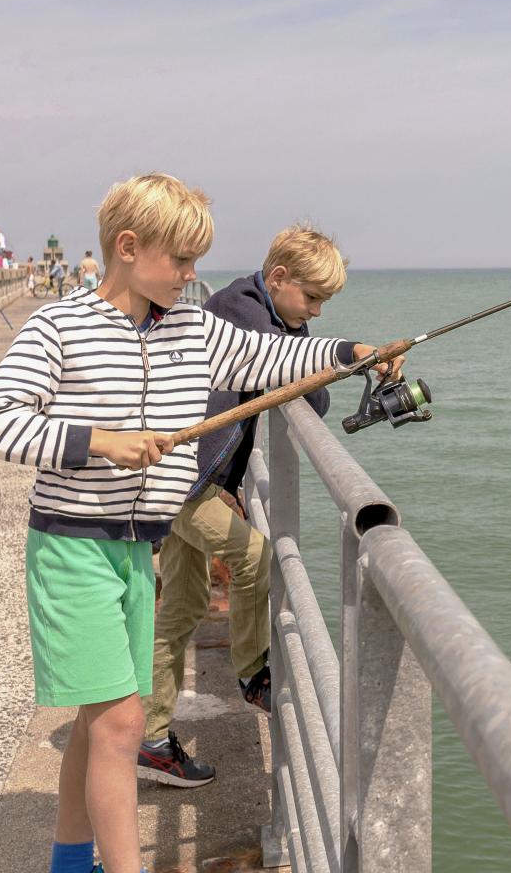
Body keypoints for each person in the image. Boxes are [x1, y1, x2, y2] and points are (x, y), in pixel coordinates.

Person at [0, 174, 397, 873]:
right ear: (128, 248)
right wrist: (99, 441)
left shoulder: (193, 329)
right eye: (181, 260)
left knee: (98, 724)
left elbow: (271, 357)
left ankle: (70, 864)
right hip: (72, 548)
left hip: (140, 549)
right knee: (121, 724)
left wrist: (351, 354)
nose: (192, 275)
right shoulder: (59, 327)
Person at [139, 222, 367, 787]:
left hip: (192, 481)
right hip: (182, 483)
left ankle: (150, 739)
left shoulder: (263, 314)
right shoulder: (241, 311)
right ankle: (252, 672)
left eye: (323, 303)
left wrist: (302, 336)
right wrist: (312, 349)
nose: (316, 311)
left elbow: (309, 390)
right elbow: (302, 384)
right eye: (311, 298)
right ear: (278, 278)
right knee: (255, 556)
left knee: (182, 607)